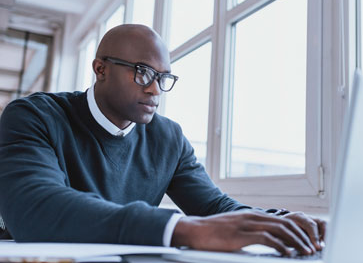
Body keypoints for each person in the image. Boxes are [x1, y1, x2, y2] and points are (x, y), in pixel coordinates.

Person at [0, 24, 325, 256]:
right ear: (100, 69)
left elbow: (214, 207)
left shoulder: (168, 138)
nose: (155, 89)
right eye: (142, 72)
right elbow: (35, 209)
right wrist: (182, 229)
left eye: (163, 77)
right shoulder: (34, 115)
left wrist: (279, 221)